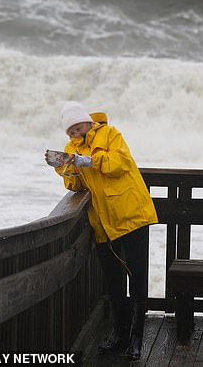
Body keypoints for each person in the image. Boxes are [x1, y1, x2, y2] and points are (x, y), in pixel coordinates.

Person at [45, 101, 158, 360]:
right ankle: (120, 335)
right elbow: (74, 186)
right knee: (114, 282)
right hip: (103, 223)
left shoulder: (110, 134)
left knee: (137, 278)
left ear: (87, 122)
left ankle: (137, 339)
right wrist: (63, 167)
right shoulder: (70, 149)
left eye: (77, 127)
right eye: (70, 131)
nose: (75, 133)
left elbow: (120, 163)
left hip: (131, 214)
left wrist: (88, 160)